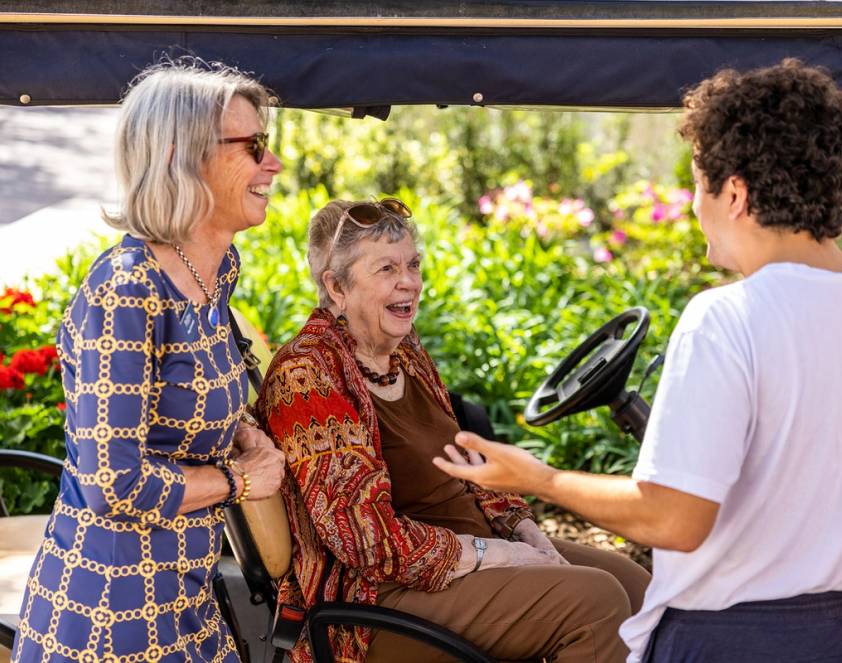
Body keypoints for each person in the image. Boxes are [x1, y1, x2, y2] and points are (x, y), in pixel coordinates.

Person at [434, 59, 842, 663]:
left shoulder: (726, 318)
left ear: (734, 192)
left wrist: (537, 478)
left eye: (698, 186)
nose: (694, 207)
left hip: (723, 642)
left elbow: (673, 519)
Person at [254, 198, 651, 663]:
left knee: (639, 589)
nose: (409, 282)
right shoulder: (307, 375)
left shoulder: (402, 351)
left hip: (467, 556)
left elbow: (468, 467)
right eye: (386, 269)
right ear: (336, 286)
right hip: (378, 597)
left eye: (413, 264)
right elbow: (364, 539)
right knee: (597, 604)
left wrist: (524, 531)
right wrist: (491, 554)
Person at [12, 61, 287, 663]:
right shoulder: (126, 290)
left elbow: (182, 396)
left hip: (185, 594)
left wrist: (237, 426)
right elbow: (112, 482)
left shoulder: (217, 272)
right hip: (111, 609)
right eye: (255, 146)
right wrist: (244, 481)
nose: (275, 164)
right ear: (180, 157)